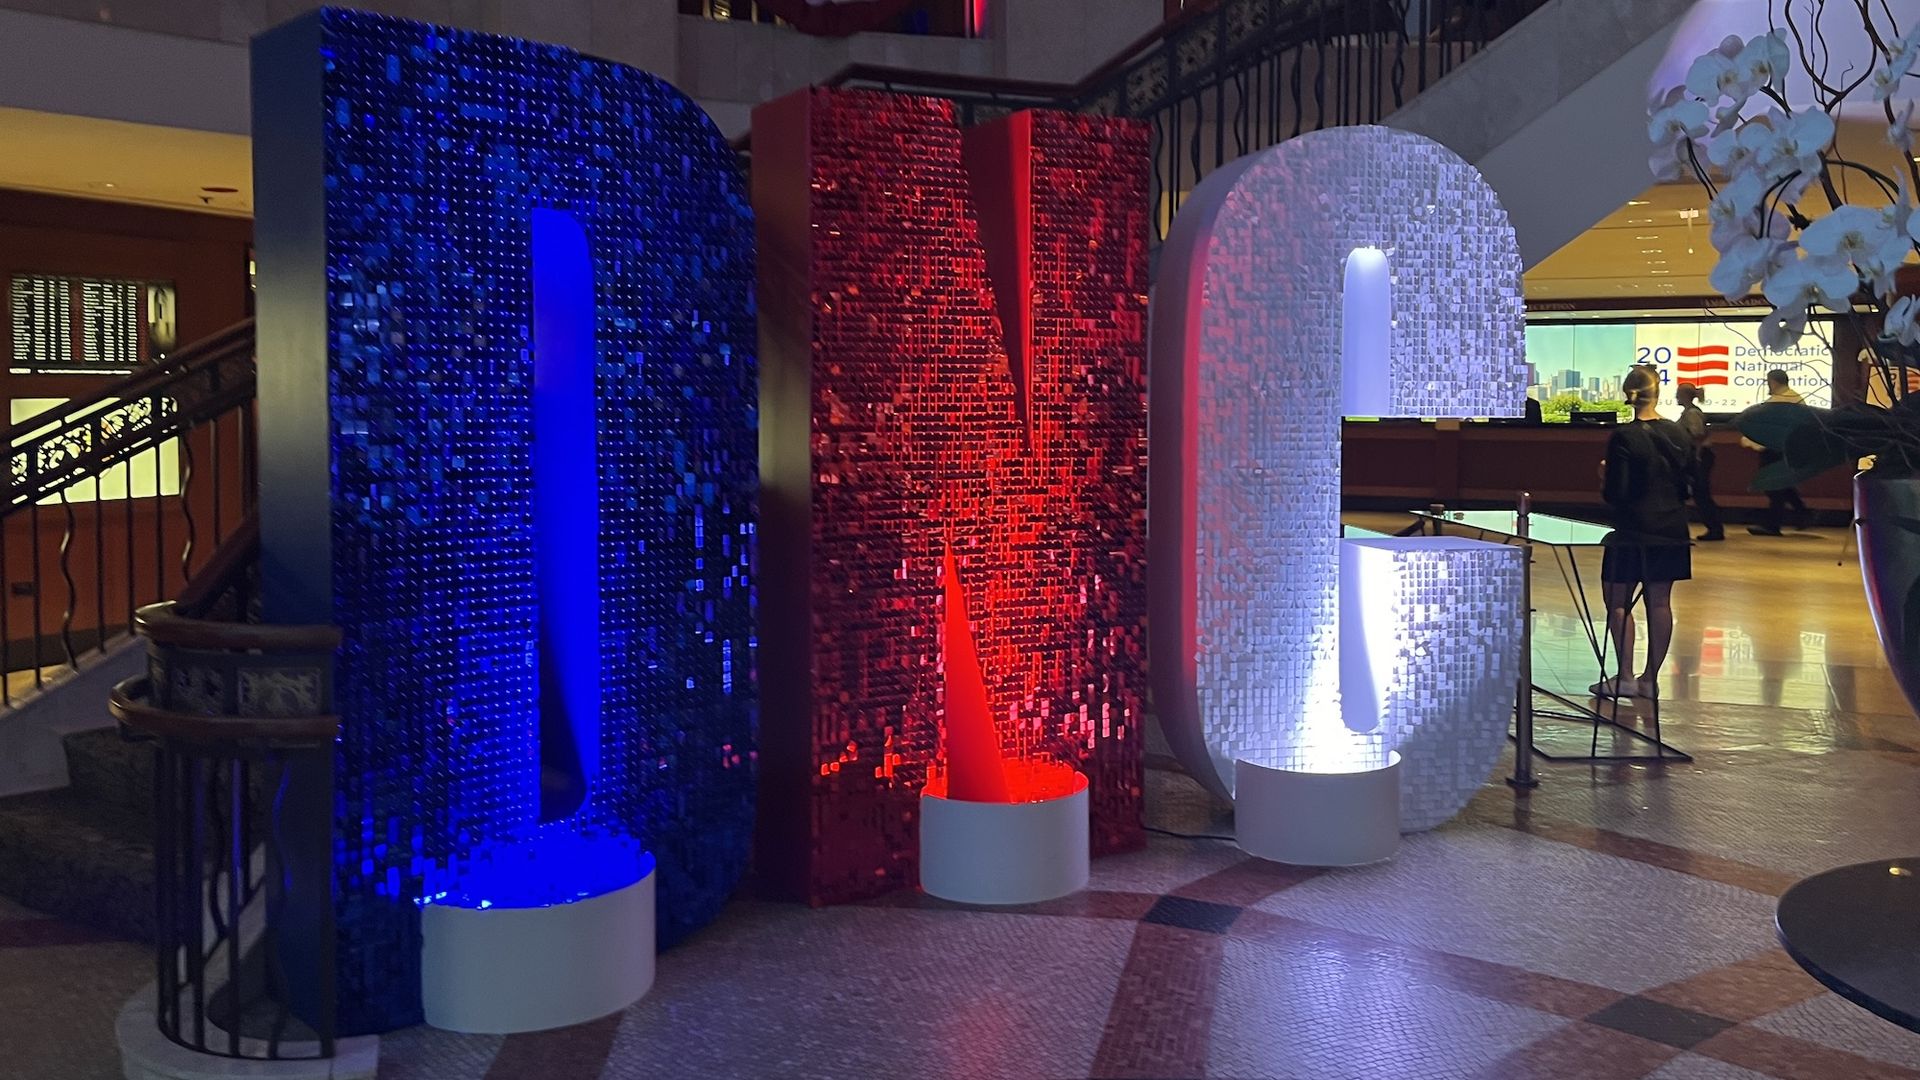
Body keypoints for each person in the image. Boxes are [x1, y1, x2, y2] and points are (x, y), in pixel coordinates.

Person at [1592, 365, 1693, 700]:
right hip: (1672, 525)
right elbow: (1690, 484)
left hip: (1633, 528)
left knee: (1617, 599)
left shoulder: (1623, 436)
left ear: (1628, 394)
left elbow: (1617, 494)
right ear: (1658, 391)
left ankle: (1624, 677)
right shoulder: (1680, 433)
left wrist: (1603, 477)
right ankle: (1650, 680)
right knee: (1660, 602)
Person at [1742, 369, 1809, 536]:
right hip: (1788, 448)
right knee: (1781, 483)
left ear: (1773, 382)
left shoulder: (1779, 401)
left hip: (1775, 448)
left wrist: (1750, 440)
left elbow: (1767, 427)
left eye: (1768, 382)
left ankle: (1774, 524)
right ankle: (1802, 513)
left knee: (1773, 485)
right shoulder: (1795, 397)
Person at [1675, 384, 1724, 541]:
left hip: (1700, 456)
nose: (1676, 397)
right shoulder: (1691, 412)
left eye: (1678, 394)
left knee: (1701, 493)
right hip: (1701, 455)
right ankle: (1714, 527)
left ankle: (1715, 528)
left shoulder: (1692, 414)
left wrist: (1695, 456)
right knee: (1701, 493)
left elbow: (1698, 435)